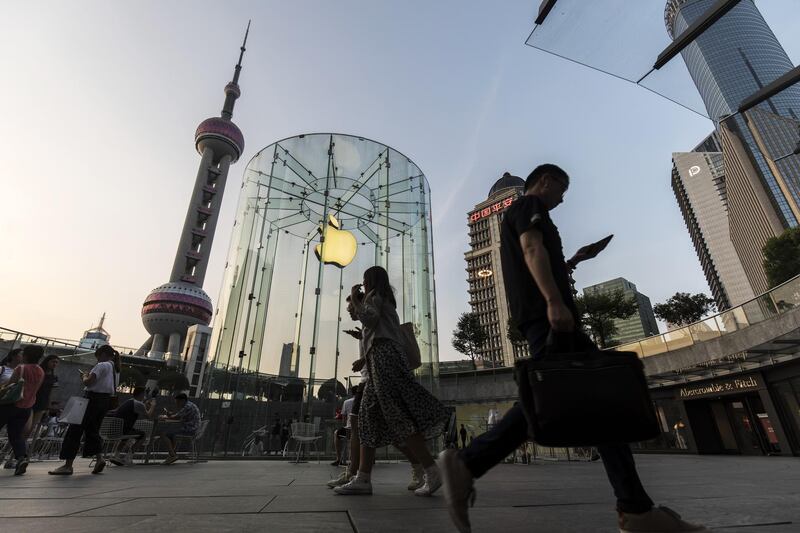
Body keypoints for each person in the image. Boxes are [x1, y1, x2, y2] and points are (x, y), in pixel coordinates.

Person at [438, 164, 708, 533]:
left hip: (546, 317)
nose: (562, 199)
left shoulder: (526, 214)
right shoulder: (526, 206)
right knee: (589, 399)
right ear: (546, 181)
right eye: (561, 190)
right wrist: (554, 301)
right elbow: (532, 249)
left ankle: (635, 508)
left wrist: (575, 261)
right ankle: (468, 462)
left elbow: (537, 257)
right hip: (549, 318)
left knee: (592, 403)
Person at [334, 266, 449, 497]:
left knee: (396, 415)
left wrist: (357, 299)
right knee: (367, 416)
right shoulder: (382, 299)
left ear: (370, 280)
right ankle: (363, 478)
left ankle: (430, 469)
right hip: (381, 359)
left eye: (365, 281)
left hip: (385, 360)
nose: (364, 285)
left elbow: (368, 318)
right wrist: (356, 305)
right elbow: (371, 326)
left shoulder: (376, 297)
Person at [327, 298, 425, 493]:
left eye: (351, 308)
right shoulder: (366, 328)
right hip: (367, 381)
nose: (349, 312)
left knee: (388, 431)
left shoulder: (375, 323)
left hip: (374, 380)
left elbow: (383, 345)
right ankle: (356, 473)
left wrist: (363, 359)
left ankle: (421, 466)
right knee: (360, 426)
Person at [49, 345, 119, 476]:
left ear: (102, 354)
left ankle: (68, 465)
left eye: (98, 357)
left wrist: (84, 376)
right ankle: (99, 458)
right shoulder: (115, 369)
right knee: (92, 430)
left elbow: (88, 382)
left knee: (75, 430)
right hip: (104, 402)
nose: (97, 360)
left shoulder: (102, 365)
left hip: (91, 399)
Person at [0, 345, 45, 475]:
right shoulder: (41, 371)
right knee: (16, 436)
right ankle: (21, 458)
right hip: (27, 407)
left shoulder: (21, 368)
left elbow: (10, 385)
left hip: (10, 405)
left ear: (26, 355)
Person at [107, 386, 156, 466]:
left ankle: (116, 455)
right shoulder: (139, 404)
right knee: (143, 435)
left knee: (127, 435)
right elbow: (148, 416)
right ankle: (128, 458)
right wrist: (153, 405)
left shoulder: (129, 401)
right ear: (141, 394)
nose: (144, 396)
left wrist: (145, 405)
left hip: (114, 429)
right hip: (123, 430)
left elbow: (140, 408)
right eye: (144, 394)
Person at [25, 355, 60, 455]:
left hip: (42, 404)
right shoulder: (39, 372)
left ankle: (20, 452)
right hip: (31, 401)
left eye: (56, 362)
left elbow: (51, 392)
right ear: (47, 361)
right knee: (26, 427)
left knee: (31, 428)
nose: (55, 364)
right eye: (53, 362)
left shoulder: (54, 377)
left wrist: (48, 406)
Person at [158, 392, 201, 465]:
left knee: (163, 434)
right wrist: (171, 415)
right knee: (171, 435)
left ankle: (172, 455)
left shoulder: (187, 406)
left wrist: (166, 416)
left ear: (183, 400)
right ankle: (172, 455)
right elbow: (179, 416)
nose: (177, 404)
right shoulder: (189, 405)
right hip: (193, 428)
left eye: (178, 402)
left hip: (190, 429)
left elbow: (176, 417)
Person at [331, 389, 355, 466]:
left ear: (352, 393)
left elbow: (344, 419)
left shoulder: (347, 402)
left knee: (336, 433)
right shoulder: (364, 402)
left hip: (349, 430)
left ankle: (338, 458)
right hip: (362, 431)